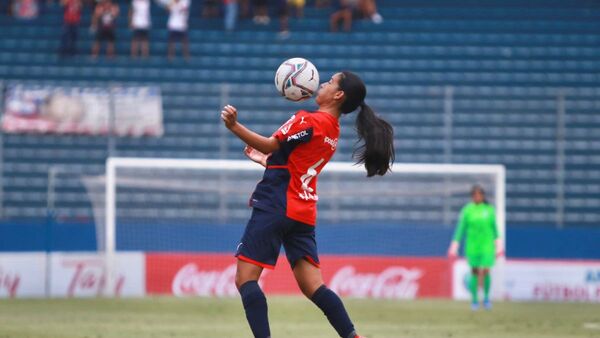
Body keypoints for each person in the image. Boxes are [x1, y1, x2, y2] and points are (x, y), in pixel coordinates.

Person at [220, 71, 395, 338]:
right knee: (314, 286)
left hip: (275, 205)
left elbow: (269, 144)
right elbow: (297, 165)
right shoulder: (332, 132)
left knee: (245, 279)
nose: (322, 83)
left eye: (330, 82)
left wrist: (235, 126)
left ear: (338, 95)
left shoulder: (306, 119)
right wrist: (268, 162)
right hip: (302, 212)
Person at [447, 185, 503, 311]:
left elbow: (494, 229)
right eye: (475, 195)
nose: (477, 197)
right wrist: (454, 244)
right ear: (472, 197)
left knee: (486, 270)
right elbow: (461, 228)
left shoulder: (489, 210)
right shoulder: (468, 210)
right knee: (475, 272)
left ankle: (487, 298)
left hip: (487, 246)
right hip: (472, 246)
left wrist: (498, 245)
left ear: (483, 196)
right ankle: (474, 300)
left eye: (479, 194)